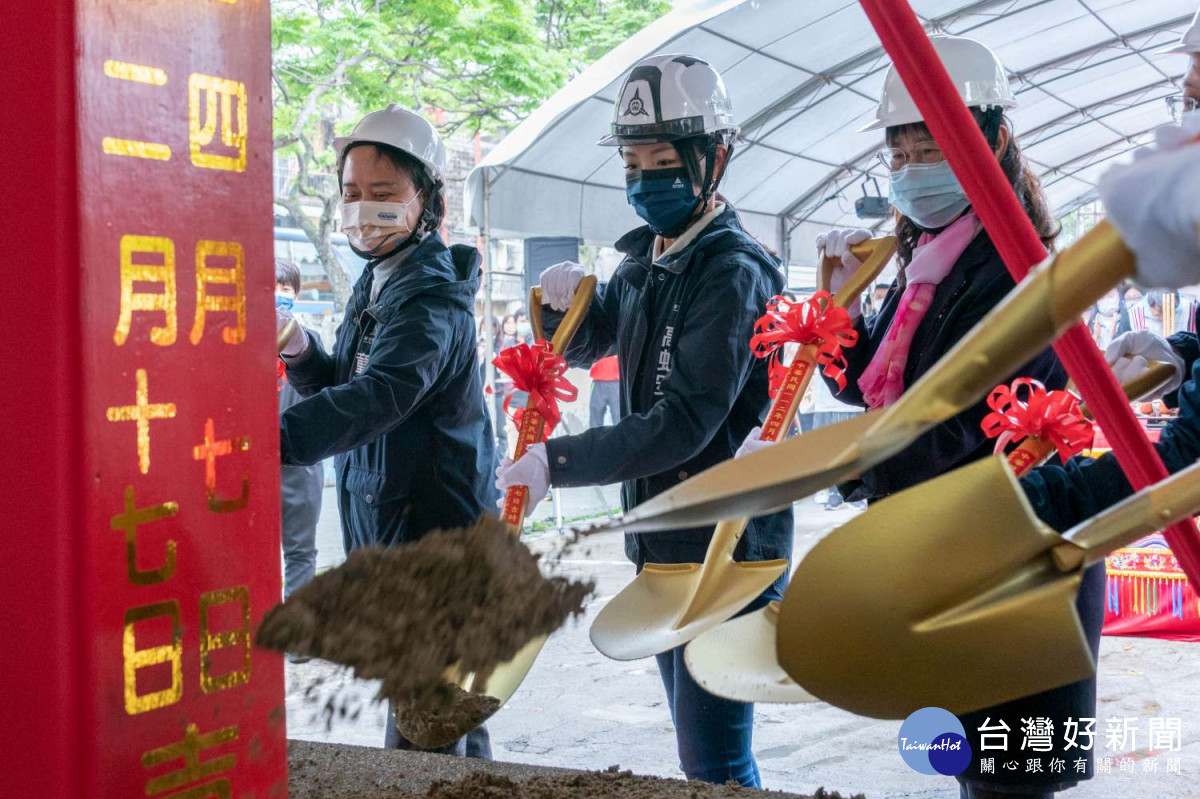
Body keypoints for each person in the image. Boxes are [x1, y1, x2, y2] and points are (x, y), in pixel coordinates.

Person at [495, 54, 792, 788]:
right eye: (632, 162)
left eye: (662, 161)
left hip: (724, 548)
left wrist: (555, 462)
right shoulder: (644, 262)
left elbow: (685, 419)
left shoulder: (732, 271)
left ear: (713, 159)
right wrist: (569, 309)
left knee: (715, 756)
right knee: (704, 751)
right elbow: (602, 338)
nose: (644, 180)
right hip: (667, 540)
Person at [275, 104, 497, 759]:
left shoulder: (431, 295)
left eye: (382, 194)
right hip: (395, 547)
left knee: (420, 748)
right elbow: (347, 382)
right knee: (446, 733)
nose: (361, 209)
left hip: (436, 558)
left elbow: (380, 395)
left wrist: (259, 438)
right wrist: (298, 347)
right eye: (351, 194)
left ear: (424, 199)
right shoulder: (378, 280)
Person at [274, 259, 323, 664]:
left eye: (284, 290)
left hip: (300, 466)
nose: (279, 296)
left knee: (300, 551)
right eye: (271, 288)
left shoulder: (309, 342)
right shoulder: (238, 341)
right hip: (245, 467)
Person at [588, 354, 620, 427]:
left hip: (616, 383)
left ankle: (622, 437)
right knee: (595, 417)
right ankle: (594, 438)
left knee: (619, 417)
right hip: (598, 381)